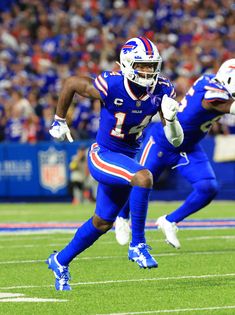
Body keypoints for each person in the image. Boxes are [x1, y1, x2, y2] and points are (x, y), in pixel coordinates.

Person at [46, 36, 183, 291]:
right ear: (128, 64)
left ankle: (60, 260)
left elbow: (175, 140)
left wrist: (173, 120)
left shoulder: (163, 90)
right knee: (143, 177)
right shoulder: (112, 84)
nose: (148, 71)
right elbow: (72, 83)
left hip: (125, 158)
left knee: (102, 222)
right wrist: (59, 119)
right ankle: (138, 245)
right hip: (103, 154)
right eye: (142, 65)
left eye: (152, 65)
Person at [115, 58, 235, 249]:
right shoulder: (213, 97)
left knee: (208, 187)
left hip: (187, 146)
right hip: (162, 142)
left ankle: (169, 220)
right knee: (139, 183)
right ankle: (121, 217)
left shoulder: (212, 81)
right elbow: (225, 104)